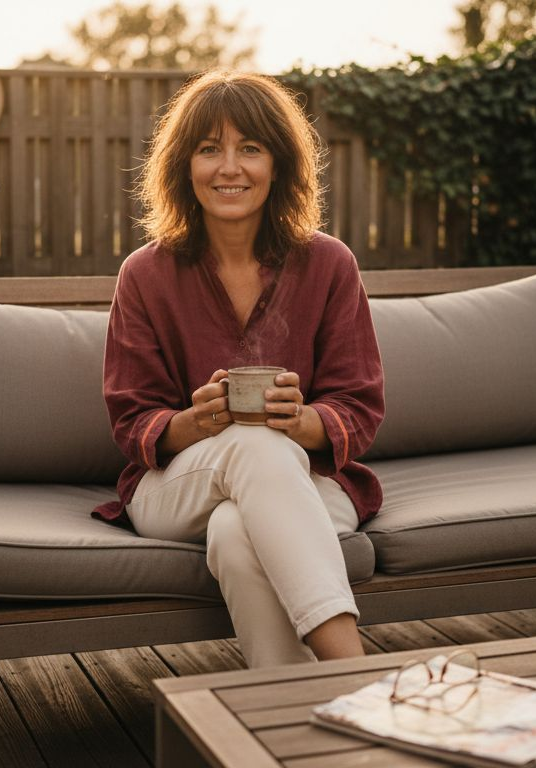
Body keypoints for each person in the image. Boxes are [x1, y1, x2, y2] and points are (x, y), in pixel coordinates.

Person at [95, 70, 385, 668]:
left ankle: (290, 721)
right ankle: (357, 674)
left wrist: (302, 420)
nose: (230, 167)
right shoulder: (145, 275)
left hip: (311, 483)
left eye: (249, 147)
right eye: (209, 149)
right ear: (184, 166)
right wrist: (195, 422)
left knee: (235, 529)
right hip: (178, 487)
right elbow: (132, 420)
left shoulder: (329, 265)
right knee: (251, 448)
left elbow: (359, 404)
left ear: (278, 164)